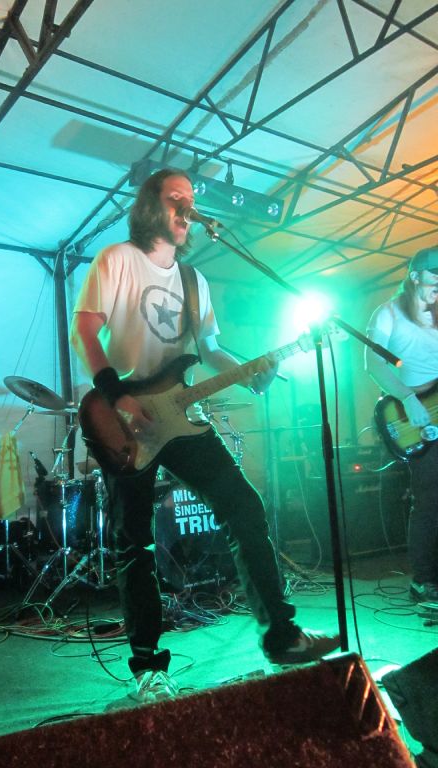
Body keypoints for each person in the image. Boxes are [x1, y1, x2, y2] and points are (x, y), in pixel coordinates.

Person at [69, 168, 340, 702]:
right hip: (123, 419)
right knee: (135, 541)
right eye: (177, 198)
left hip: (180, 416)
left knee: (244, 507)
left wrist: (253, 370)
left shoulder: (195, 281)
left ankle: (281, 636)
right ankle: (148, 667)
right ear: (151, 206)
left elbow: (211, 350)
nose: (187, 209)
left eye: (191, 201)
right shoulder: (116, 259)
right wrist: (117, 396)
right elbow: (85, 331)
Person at [365, 246, 438, 604]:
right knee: (430, 500)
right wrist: (408, 398)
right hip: (410, 419)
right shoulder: (388, 313)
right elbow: (373, 364)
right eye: (435, 274)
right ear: (415, 276)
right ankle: (424, 581)